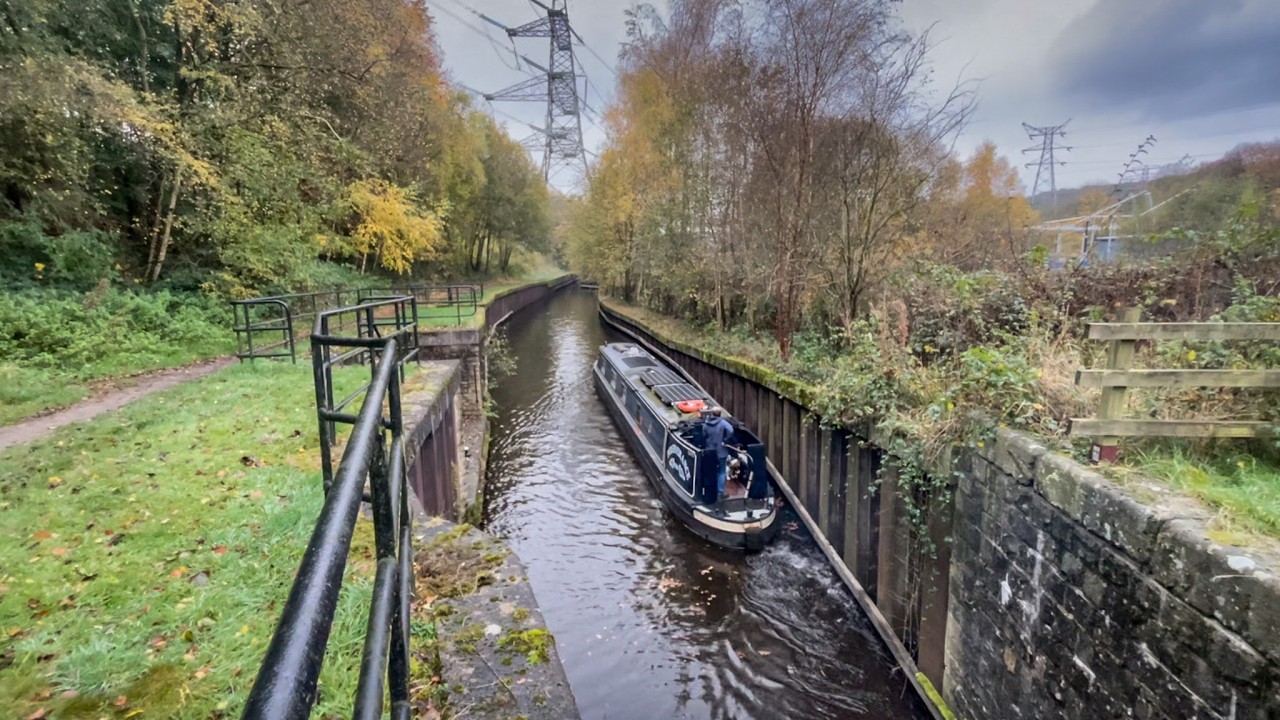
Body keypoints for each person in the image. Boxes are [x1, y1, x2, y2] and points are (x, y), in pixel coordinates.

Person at [702, 406, 735, 501]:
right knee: (721, 472)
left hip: (710, 451)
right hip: (721, 451)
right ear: (720, 414)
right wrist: (726, 439)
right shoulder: (723, 423)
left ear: (711, 414)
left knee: (710, 471)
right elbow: (731, 430)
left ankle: (710, 491)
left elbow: (704, 434)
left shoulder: (706, 423)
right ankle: (720, 492)